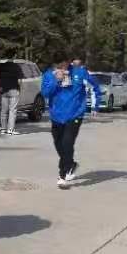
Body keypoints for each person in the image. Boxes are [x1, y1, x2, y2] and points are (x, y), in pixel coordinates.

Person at [41, 54, 101, 187]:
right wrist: (56, 80)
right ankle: (71, 164)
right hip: (57, 115)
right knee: (59, 144)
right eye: (58, 66)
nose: (61, 68)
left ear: (68, 62)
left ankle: (62, 175)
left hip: (75, 114)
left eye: (64, 65)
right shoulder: (49, 74)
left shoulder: (80, 72)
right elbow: (45, 93)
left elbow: (95, 87)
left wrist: (94, 106)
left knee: (67, 143)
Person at [0, 57, 23, 135]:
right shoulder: (16, 66)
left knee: (3, 110)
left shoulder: (1, 66)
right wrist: (19, 89)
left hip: (4, 90)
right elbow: (19, 80)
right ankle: (10, 130)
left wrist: (1, 86)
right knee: (12, 110)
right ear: (13, 57)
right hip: (14, 90)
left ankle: (3, 129)